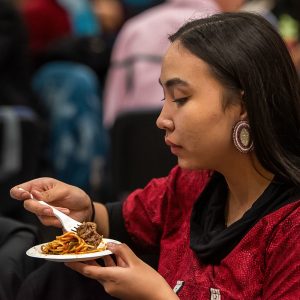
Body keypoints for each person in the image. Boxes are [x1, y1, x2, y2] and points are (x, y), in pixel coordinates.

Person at [10, 11, 300, 299]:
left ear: (243, 104)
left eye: (181, 98)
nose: (162, 119)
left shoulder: (290, 228)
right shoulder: (192, 184)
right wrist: (82, 210)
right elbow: (121, 220)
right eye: (165, 98)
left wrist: (157, 296)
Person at [102, 0, 246, 128]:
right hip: (201, 144)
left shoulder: (133, 29)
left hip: (135, 146)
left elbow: (111, 114)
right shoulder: (232, 33)